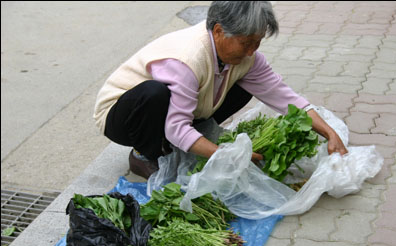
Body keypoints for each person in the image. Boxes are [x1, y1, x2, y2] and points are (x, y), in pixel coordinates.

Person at [94, 1, 347, 180]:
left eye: (257, 43)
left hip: (170, 107)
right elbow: (175, 126)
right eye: (246, 43)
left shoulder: (247, 57)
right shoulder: (188, 59)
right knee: (155, 94)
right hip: (122, 115)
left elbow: (284, 96)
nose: (251, 51)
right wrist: (224, 156)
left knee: (244, 86)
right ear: (218, 31)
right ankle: (143, 154)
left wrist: (329, 132)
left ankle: (184, 141)